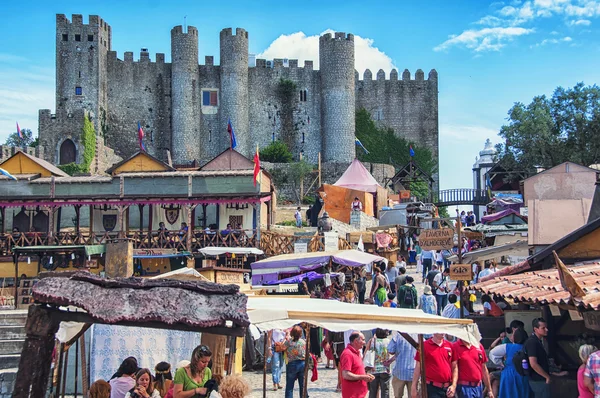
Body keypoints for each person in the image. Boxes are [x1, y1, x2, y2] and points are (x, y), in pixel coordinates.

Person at [411, 333, 456, 398]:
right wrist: (414, 386)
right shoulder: (424, 346)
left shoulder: (450, 346)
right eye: (440, 330)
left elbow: (455, 367)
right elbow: (418, 367)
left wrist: (453, 385)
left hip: (447, 389)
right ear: (434, 331)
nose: (443, 333)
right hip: (432, 388)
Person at [489, 328, 530, 398]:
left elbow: (492, 353)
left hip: (508, 374)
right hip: (523, 374)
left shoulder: (508, 346)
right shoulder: (527, 347)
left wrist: (501, 363)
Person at [340, 331, 375, 398]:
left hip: (359, 393)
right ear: (356, 341)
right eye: (363, 340)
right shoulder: (348, 354)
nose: (365, 342)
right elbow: (346, 375)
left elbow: (356, 369)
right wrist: (363, 377)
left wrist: (366, 375)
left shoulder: (357, 352)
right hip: (352, 394)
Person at [525, 318, 551, 398]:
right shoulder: (532, 342)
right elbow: (533, 363)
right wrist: (546, 376)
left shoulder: (537, 341)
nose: (546, 330)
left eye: (546, 327)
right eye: (543, 328)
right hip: (537, 379)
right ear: (535, 329)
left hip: (539, 379)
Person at [386, 332, 416, 398]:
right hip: (414, 372)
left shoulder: (397, 335)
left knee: (397, 396)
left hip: (400, 371)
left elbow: (390, 350)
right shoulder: (419, 336)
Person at [365, 329, 391, 398]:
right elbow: (392, 352)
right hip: (385, 369)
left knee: (373, 391)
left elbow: (365, 353)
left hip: (373, 369)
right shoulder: (388, 341)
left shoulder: (372, 341)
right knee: (385, 391)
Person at [284, 325, 307, 398]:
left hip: (292, 364)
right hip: (302, 363)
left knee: (289, 386)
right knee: (302, 386)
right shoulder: (303, 342)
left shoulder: (288, 342)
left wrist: (286, 336)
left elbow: (282, 347)